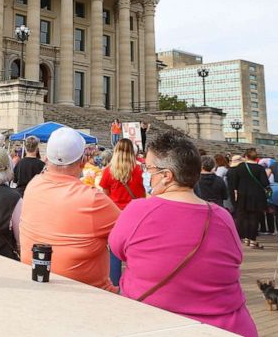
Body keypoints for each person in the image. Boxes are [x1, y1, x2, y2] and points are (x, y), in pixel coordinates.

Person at [109, 130, 258, 337]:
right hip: (228, 327)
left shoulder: (138, 210)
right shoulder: (223, 216)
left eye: (148, 168)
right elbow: (235, 259)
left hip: (156, 323)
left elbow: (117, 250)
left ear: (166, 176)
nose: (145, 173)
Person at [20, 126, 120, 290]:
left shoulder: (33, 185)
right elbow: (131, 235)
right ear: (82, 161)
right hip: (89, 293)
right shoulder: (92, 199)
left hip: (38, 282)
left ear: (46, 158)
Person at [100, 138, 147, 286]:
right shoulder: (139, 170)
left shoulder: (108, 170)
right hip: (135, 214)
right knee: (134, 251)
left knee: (114, 251)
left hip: (115, 214)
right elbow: (144, 193)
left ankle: (114, 284)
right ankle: (134, 284)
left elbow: (105, 194)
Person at [226, 147, 270, 249]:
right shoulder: (260, 168)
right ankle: (252, 240)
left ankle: (245, 238)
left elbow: (235, 182)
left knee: (244, 217)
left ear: (246, 156)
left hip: (243, 195)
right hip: (257, 196)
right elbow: (265, 183)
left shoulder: (241, 167)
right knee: (254, 218)